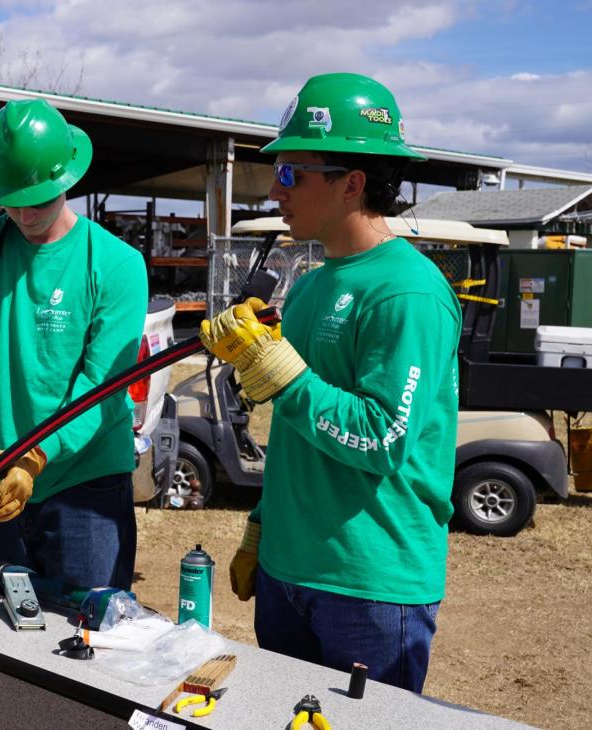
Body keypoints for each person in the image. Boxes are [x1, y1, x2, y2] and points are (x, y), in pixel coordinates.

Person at [205, 73, 460, 693]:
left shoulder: (408, 292)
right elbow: (298, 429)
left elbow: (383, 439)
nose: (275, 188)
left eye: (292, 173)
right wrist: (263, 525)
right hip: (290, 570)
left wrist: (280, 375)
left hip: (369, 585)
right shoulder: (315, 282)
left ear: (352, 183)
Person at [0, 99, 148, 591]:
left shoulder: (115, 263)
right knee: (6, 637)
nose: (22, 213)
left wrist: (37, 455)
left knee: (88, 636)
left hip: (87, 482)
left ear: (67, 180)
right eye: (10, 199)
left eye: (38, 199)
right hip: (1, 470)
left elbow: (105, 387)